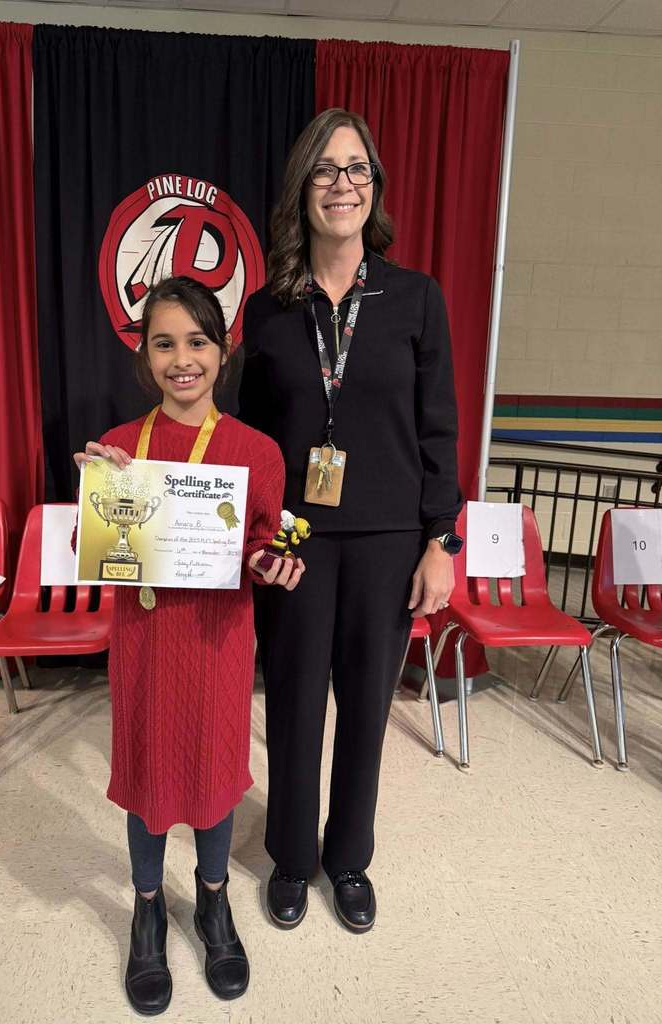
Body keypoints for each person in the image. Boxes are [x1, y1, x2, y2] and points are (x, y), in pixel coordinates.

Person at [239, 108, 463, 934]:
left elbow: (438, 425)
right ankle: (292, 858)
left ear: (374, 188)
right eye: (327, 170)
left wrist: (442, 540)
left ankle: (349, 859)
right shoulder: (269, 310)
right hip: (296, 536)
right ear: (304, 188)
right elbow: (251, 439)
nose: (343, 183)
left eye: (357, 169)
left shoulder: (414, 298)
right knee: (295, 701)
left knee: (366, 707)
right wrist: (257, 538)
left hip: (385, 536)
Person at [74, 276, 303, 1015]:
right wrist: (98, 501)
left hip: (215, 646)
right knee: (146, 771)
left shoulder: (255, 451)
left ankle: (211, 903)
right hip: (144, 644)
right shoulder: (118, 448)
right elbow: (93, 547)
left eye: (197, 342)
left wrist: (272, 562)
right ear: (144, 355)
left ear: (223, 349)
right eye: (164, 343)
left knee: (211, 772)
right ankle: (147, 909)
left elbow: (264, 541)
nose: (182, 360)